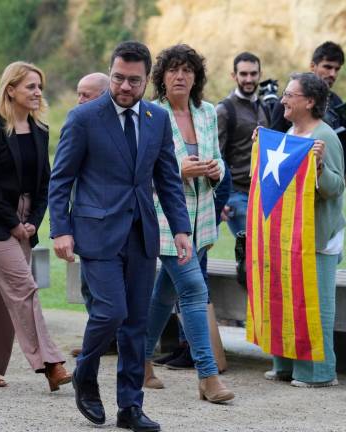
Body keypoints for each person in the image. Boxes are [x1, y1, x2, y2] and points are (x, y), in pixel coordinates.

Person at [49, 41, 193, 431]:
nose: (125, 87)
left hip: (142, 233)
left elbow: (167, 179)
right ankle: (85, 372)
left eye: (133, 80)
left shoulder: (157, 119)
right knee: (111, 311)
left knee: (136, 325)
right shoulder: (84, 118)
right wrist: (60, 230)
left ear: (148, 80)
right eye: (118, 78)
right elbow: (61, 179)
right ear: (109, 73)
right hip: (96, 233)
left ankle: (130, 407)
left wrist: (181, 228)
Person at [0, 61, 72, 391]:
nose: (38, 92)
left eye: (40, 86)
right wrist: (13, 224)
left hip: (25, 221)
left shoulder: (40, 131)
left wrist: (32, 222)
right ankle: (50, 363)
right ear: (10, 89)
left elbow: (44, 184)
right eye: (30, 86)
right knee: (25, 288)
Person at [138, 44, 234, 404]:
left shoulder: (208, 112)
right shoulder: (149, 114)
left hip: (202, 220)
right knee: (193, 288)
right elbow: (139, 172)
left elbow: (219, 161)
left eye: (188, 70)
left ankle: (141, 360)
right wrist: (179, 171)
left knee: (164, 293)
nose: (181, 76)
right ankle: (208, 376)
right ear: (162, 77)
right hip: (163, 217)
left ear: (197, 77)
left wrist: (214, 170)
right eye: (174, 70)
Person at [264, 72, 345, 388]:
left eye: (289, 94)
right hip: (290, 235)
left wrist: (322, 167)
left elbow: (335, 188)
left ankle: (319, 372)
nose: (282, 99)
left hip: (318, 236)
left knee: (316, 306)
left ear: (309, 101)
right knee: (287, 302)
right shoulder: (289, 131)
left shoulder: (326, 136)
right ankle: (285, 365)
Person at [271, 42, 346, 221]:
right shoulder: (289, 103)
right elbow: (275, 146)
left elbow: (344, 156)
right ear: (313, 66)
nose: (332, 74)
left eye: (337, 69)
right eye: (327, 67)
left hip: (325, 196)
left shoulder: (337, 104)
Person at [69, 72, 113, 359]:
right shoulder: (77, 122)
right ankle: (101, 341)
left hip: (112, 220)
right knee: (88, 286)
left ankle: (110, 339)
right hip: (84, 219)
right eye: (78, 93)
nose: (80, 100)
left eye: (87, 94)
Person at [216, 52, 270, 237]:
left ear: (260, 75)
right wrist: (220, 198)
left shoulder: (265, 107)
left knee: (264, 249)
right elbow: (216, 156)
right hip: (235, 193)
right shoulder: (224, 110)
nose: (249, 79)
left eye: (253, 74)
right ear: (234, 76)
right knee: (252, 247)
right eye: (243, 74)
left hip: (262, 193)